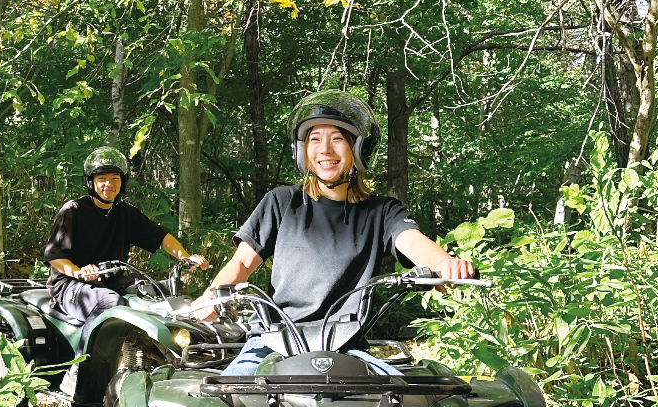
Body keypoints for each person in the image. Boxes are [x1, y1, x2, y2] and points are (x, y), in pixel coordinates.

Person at [193, 90, 475, 375]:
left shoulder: (381, 212)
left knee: (405, 403)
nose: (325, 150)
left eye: (337, 139)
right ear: (302, 151)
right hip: (271, 339)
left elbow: (412, 241)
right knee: (229, 398)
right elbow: (241, 263)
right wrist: (212, 296)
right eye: (315, 140)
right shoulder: (282, 202)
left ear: (358, 149)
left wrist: (443, 263)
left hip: (347, 344)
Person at [43, 146, 209, 326]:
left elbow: (161, 236)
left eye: (115, 178)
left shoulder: (125, 213)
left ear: (123, 182)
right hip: (71, 285)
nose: (109, 184)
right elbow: (55, 256)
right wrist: (79, 272)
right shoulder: (74, 210)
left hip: (111, 281)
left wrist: (185, 257)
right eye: (102, 179)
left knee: (162, 291)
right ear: (91, 182)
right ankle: (85, 353)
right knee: (110, 302)